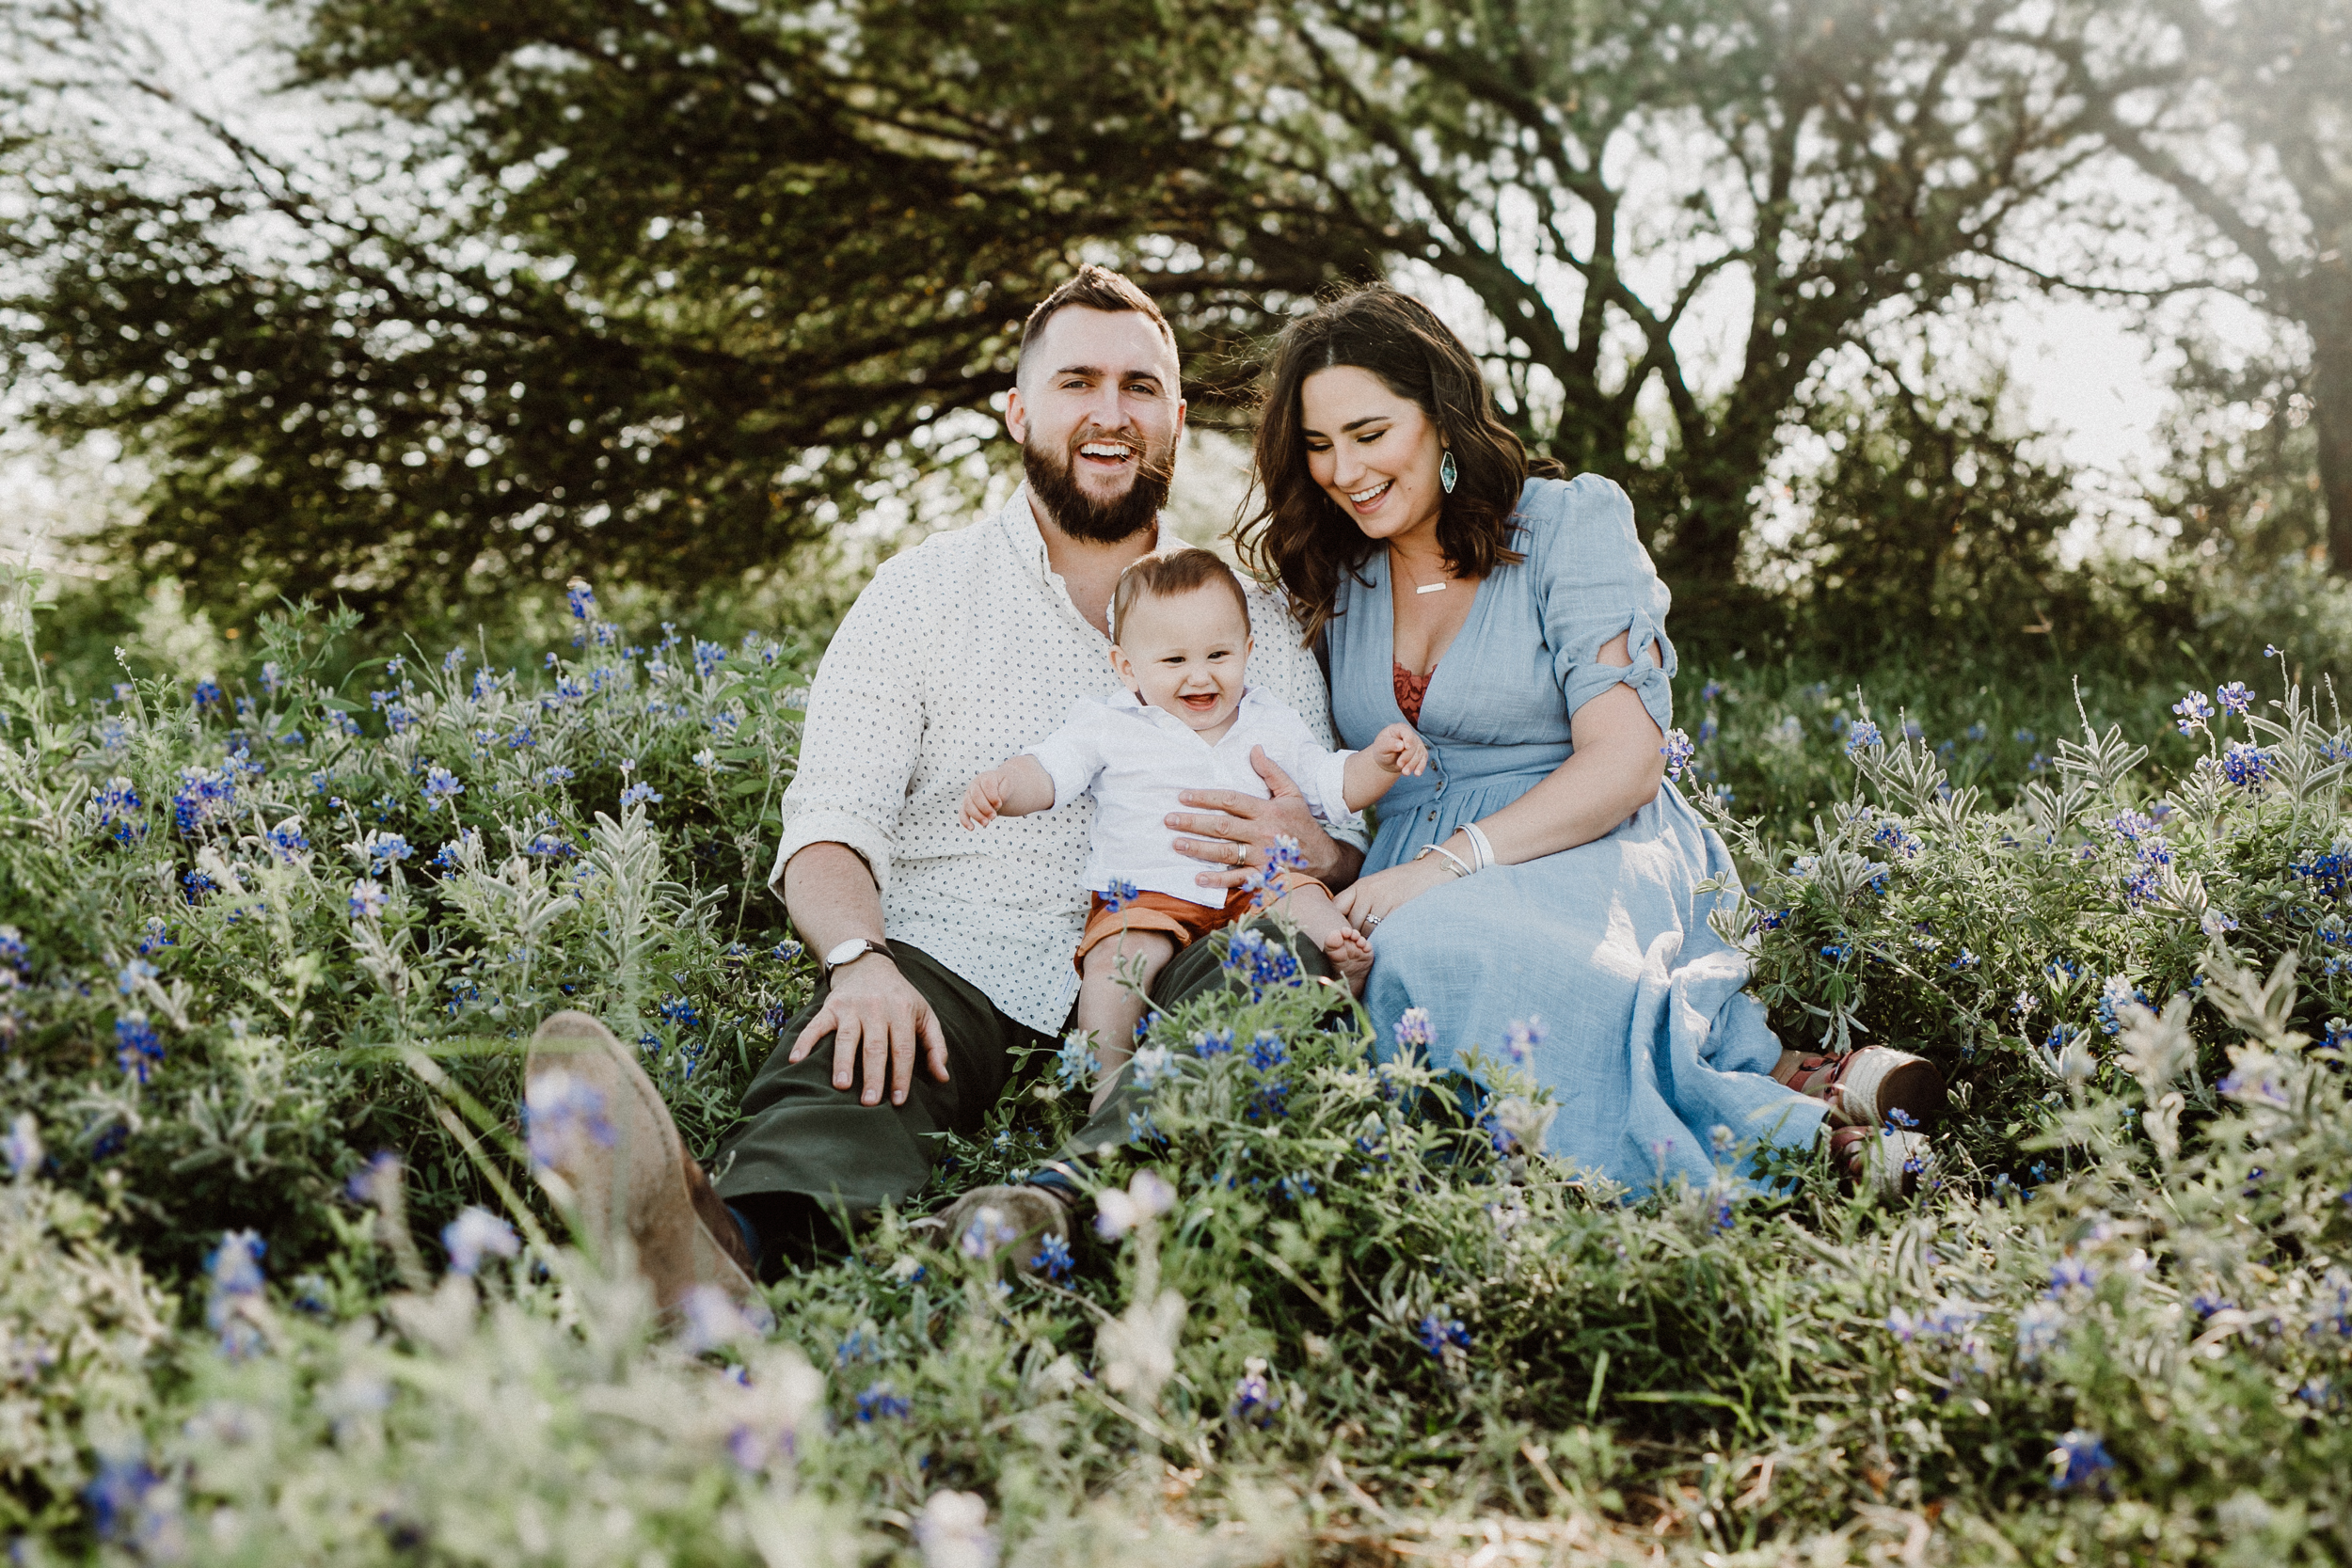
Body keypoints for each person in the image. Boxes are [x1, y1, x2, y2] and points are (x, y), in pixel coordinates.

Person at [523, 265, 1362, 1306]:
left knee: (1280, 968)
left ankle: (1046, 1211)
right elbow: (831, 822)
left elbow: (1337, 830)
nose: (1110, 414)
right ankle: (720, 1248)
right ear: (1018, 411)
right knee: (851, 1056)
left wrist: (1317, 849)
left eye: (1140, 388)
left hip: (1177, 943)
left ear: (1178, 420)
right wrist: (857, 958)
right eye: (1077, 383)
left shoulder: (1248, 613)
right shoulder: (921, 592)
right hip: (961, 957)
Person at [1233, 284, 1945, 1195]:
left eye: (1369, 434)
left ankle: (1793, 1147)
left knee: (1441, 949)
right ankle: (1794, 1077)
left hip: (1587, 833)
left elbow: (1626, 758)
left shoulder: (1566, 525)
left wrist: (1447, 865)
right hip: (1406, 861)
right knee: (1351, 962)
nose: (1343, 470)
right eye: (1318, 446)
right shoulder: (1335, 571)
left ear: (1442, 418)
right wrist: (1328, 848)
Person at [961, 546, 1426, 1096]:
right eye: (1174, 661)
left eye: (1218, 655)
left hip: (1255, 883)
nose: (1199, 676)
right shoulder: (1110, 723)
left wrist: (1379, 761)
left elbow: (1331, 784)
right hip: (1142, 893)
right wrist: (1005, 786)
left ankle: (1338, 964)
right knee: (1115, 962)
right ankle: (1104, 1082)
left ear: (1249, 650)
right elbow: (1051, 772)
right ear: (1126, 667)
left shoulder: (1269, 719)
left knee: (1301, 896)